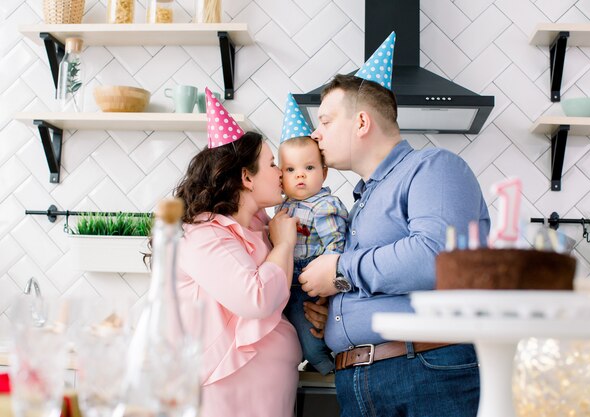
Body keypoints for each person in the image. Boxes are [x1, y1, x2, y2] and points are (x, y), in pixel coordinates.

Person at [298, 33, 491, 417]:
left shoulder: (433, 167)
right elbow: (382, 273)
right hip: (358, 380)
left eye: (325, 120)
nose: (315, 134)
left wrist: (338, 270)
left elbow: (434, 257)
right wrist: (336, 310)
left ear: (362, 122)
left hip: (424, 372)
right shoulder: (360, 200)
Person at [174, 89, 328, 417]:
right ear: (246, 177)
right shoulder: (203, 236)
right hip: (226, 397)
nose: (281, 173)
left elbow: (285, 296)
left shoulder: (265, 229)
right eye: (272, 164)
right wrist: (285, 244)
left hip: (272, 392)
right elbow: (256, 298)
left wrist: (317, 312)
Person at [276, 94, 349, 375]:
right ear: (280, 176)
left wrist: (329, 275)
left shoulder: (323, 206)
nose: (300, 176)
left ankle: (324, 364)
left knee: (310, 330)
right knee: (294, 324)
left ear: (324, 172)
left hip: (312, 279)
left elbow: (336, 244)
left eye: (309, 168)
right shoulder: (283, 206)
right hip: (289, 279)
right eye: (290, 169)